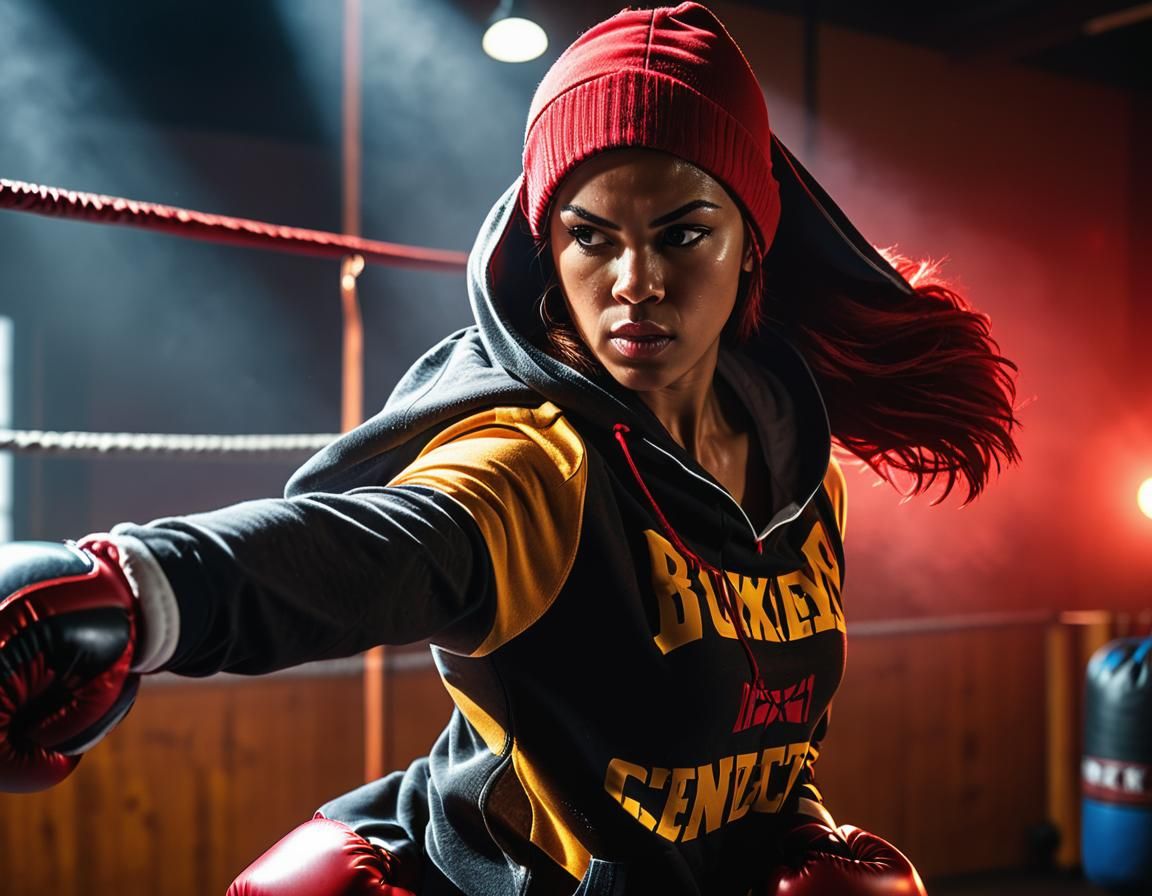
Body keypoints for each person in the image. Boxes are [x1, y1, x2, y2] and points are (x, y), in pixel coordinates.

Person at [0, 3, 1019, 894]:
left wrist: (796, 822)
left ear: (751, 236)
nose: (634, 281)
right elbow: (376, 544)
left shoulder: (804, 477)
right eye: (591, 236)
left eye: (680, 234)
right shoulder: (540, 463)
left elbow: (765, 722)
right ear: (547, 244)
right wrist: (136, 591)